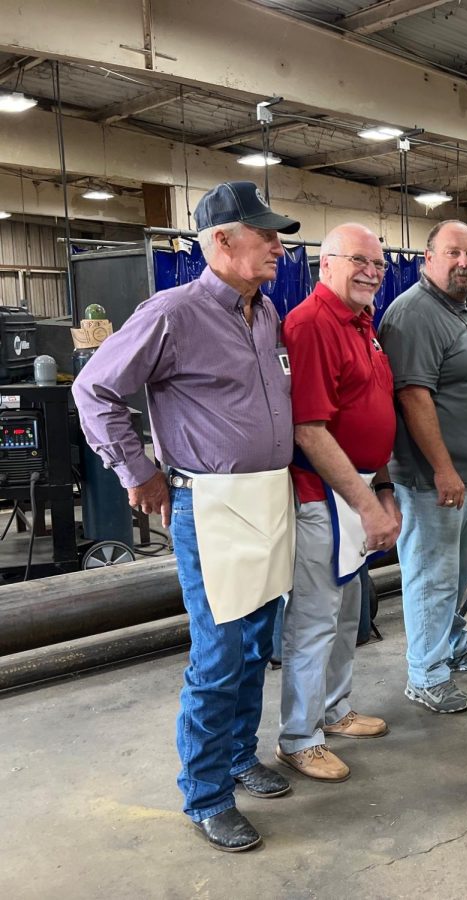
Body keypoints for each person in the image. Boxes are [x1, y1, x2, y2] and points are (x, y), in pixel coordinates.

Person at [73, 181, 301, 852]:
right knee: (219, 651)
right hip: (215, 503)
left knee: (259, 642)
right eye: (266, 236)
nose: (278, 247)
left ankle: (237, 755)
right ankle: (205, 794)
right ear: (222, 241)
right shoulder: (172, 312)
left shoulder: (265, 314)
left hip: (266, 497)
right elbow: (95, 390)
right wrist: (135, 470)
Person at [276, 223, 401, 782]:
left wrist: (383, 489)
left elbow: (372, 413)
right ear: (325, 264)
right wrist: (366, 502)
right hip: (322, 494)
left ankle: (333, 710)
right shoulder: (311, 324)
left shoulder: (363, 323)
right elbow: (310, 429)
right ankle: (299, 738)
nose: (371, 272)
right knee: (314, 620)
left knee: (349, 612)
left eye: (377, 263)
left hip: (358, 487)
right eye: (359, 261)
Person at [378, 220, 467, 714]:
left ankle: (453, 647)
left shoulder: (464, 303)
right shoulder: (413, 314)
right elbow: (413, 396)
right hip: (435, 481)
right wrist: (444, 470)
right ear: (427, 258)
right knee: (430, 576)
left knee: (456, 572)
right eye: (453, 253)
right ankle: (426, 674)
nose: (464, 264)